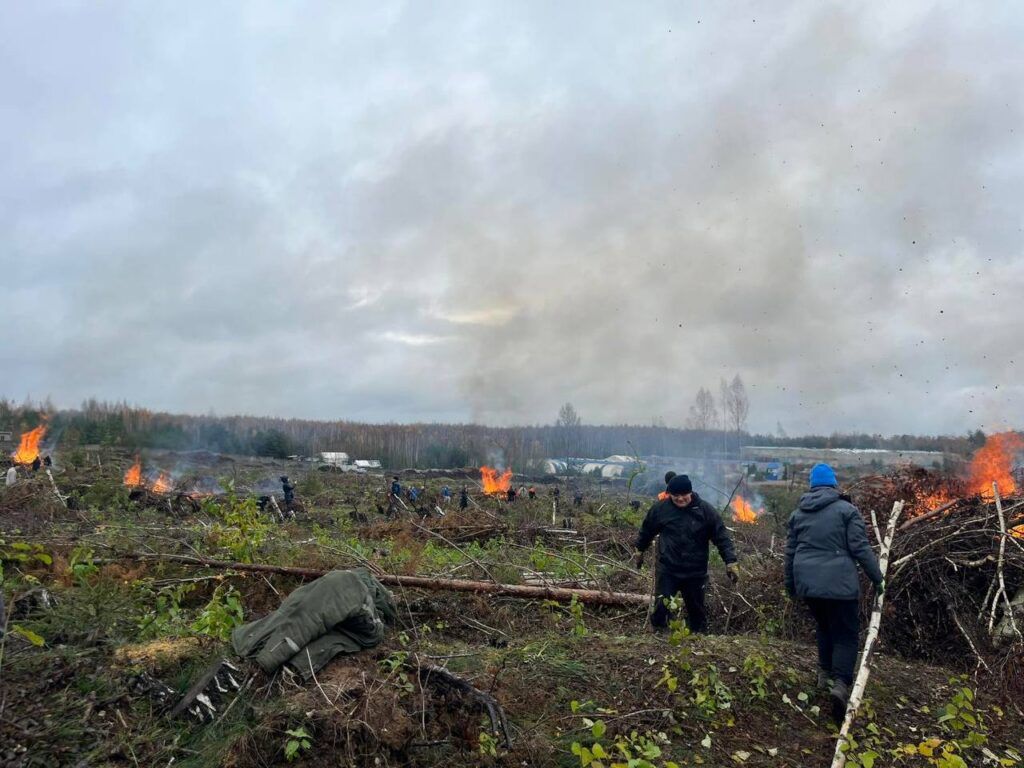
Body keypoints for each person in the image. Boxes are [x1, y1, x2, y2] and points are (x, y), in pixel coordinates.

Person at [785, 463, 882, 724]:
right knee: (846, 634)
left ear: (812, 486)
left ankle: (823, 673)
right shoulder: (847, 511)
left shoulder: (798, 514)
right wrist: (878, 578)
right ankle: (840, 684)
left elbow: (790, 553)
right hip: (839, 584)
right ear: (834, 484)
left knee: (824, 626)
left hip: (808, 584)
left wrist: (791, 586)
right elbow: (860, 547)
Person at [634, 474, 738, 634]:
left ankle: (698, 638)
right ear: (669, 494)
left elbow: (722, 537)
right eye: (675, 495)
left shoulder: (705, 511)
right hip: (668, 569)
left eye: (684, 495)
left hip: (695, 572)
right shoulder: (661, 509)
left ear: (690, 492)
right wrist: (640, 550)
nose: (680, 498)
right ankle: (659, 637)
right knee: (661, 607)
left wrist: (730, 561)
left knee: (697, 611)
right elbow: (647, 530)